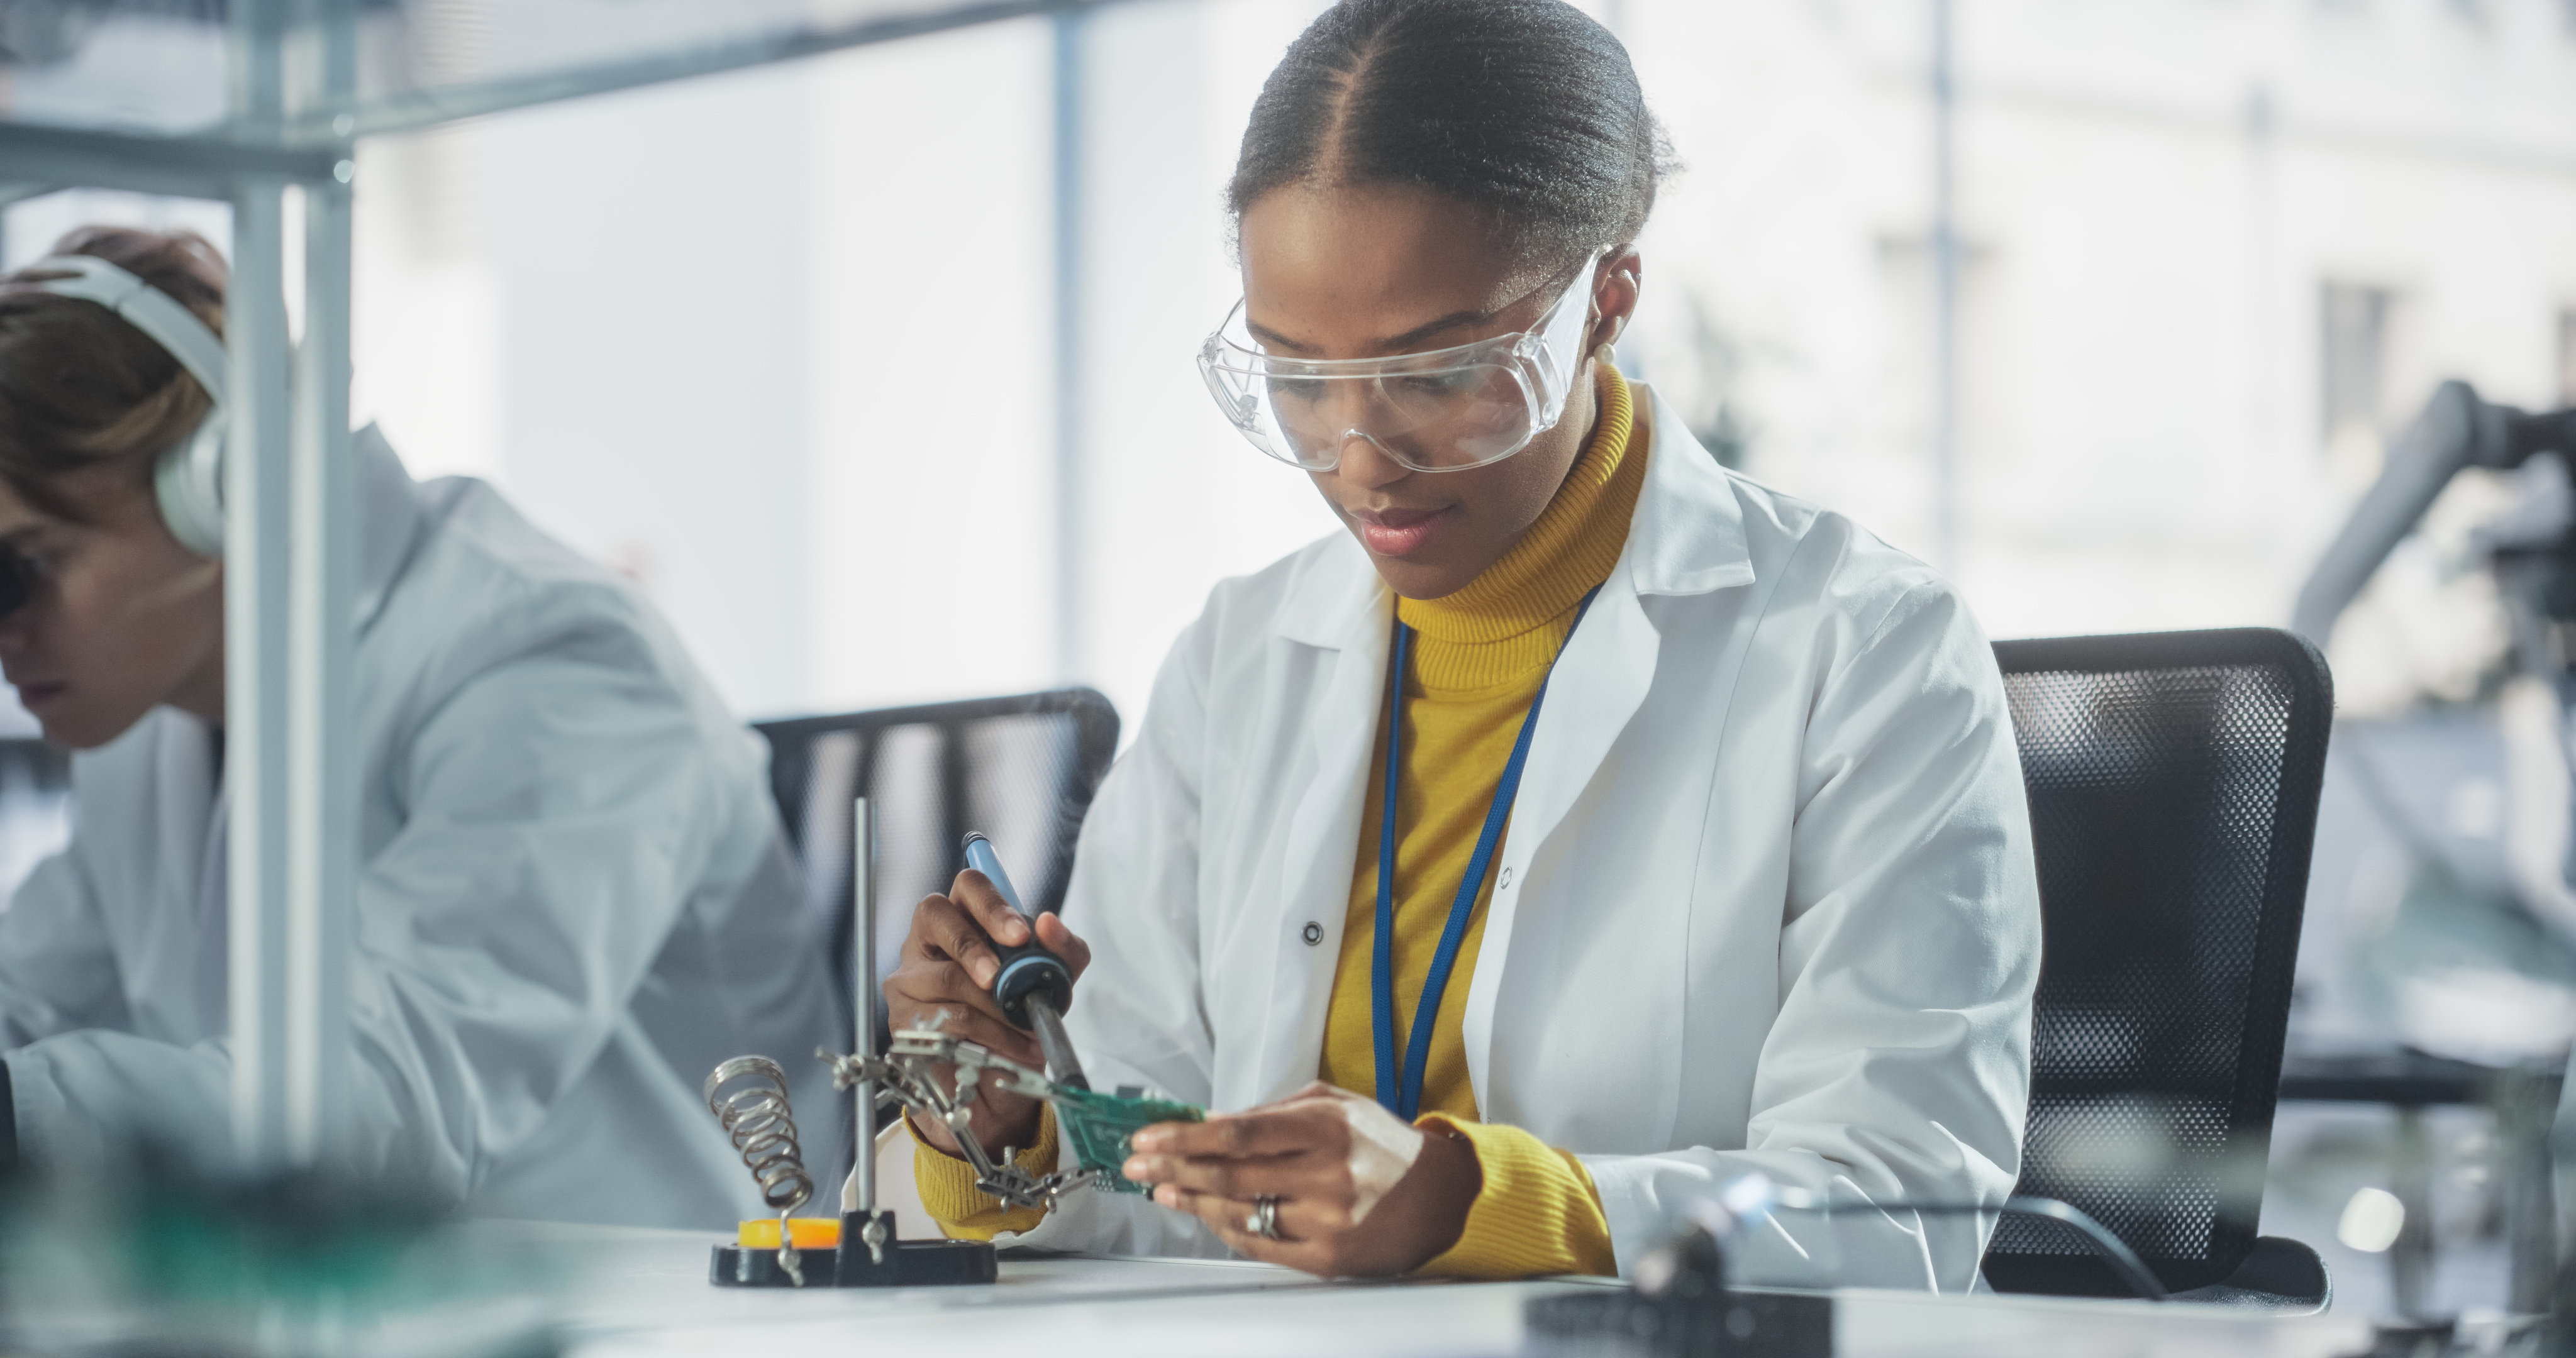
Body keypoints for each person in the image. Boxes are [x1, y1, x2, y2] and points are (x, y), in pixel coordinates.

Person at [887, 0, 2040, 1289]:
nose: (1363, 461)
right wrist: (999, 1118)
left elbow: (1899, 1201)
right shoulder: (1241, 656)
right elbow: (1146, 1177)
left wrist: (1465, 1202)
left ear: (1604, 300)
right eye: (1299, 379)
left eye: (1438, 373)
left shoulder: (1864, 650)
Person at [0, 226, 835, 1227]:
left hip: (669, 1300)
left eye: (23, 565)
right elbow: (35, 996)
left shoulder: (549, 661)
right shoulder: (147, 706)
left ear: (226, 489)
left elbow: (386, 1097)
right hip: (336, 1299)